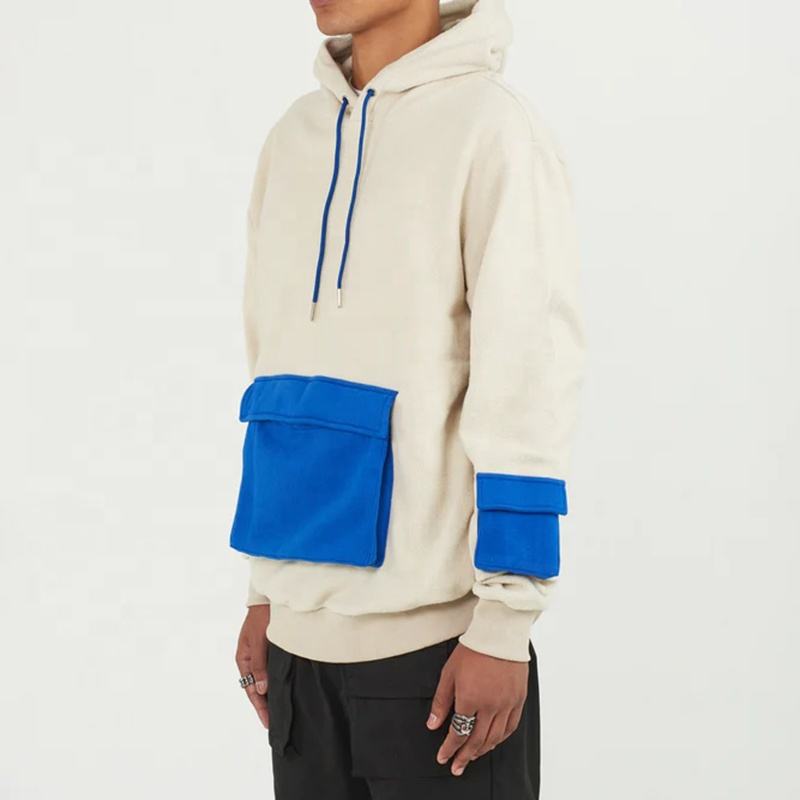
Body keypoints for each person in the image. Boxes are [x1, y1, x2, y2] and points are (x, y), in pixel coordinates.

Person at [231, 0, 585, 797]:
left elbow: (527, 378)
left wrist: (505, 623)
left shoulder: (492, 128)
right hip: (295, 652)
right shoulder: (293, 137)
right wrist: (266, 591)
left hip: (439, 656)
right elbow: (272, 366)